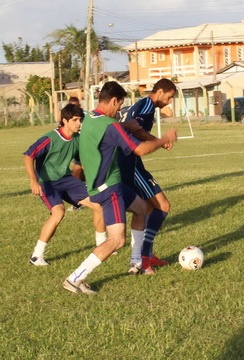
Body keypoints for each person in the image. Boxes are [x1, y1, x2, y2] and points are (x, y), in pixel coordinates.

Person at [62, 81, 177, 294]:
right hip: (109, 190)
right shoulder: (110, 125)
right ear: (114, 101)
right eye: (119, 105)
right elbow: (140, 150)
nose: (119, 111)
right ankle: (75, 278)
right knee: (117, 240)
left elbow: (104, 127)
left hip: (108, 184)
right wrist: (163, 140)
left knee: (142, 208)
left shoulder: (88, 118)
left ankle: (136, 262)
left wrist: (126, 126)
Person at [23, 104, 106, 266]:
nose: (78, 123)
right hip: (47, 182)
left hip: (66, 180)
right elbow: (28, 155)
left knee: (98, 204)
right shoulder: (50, 139)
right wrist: (33, 181)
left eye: (80, 120)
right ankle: (36, 255)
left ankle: (102, 244)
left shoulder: (77, 139)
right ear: (64, 121)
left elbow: (83, 160)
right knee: (58, 213)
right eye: (74, 120)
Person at [117, 78, 177, 274]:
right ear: (159, 92)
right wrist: (160, 140)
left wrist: (158, 140)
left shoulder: (142, 104)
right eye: (169, 97)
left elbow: (133, 128)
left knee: (149, 208)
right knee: (162, 206)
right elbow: (136, 129)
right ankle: (143, 258)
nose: (169, 102)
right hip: (130, 163)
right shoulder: (147, 106)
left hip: (130, 162)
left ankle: (145, 256)